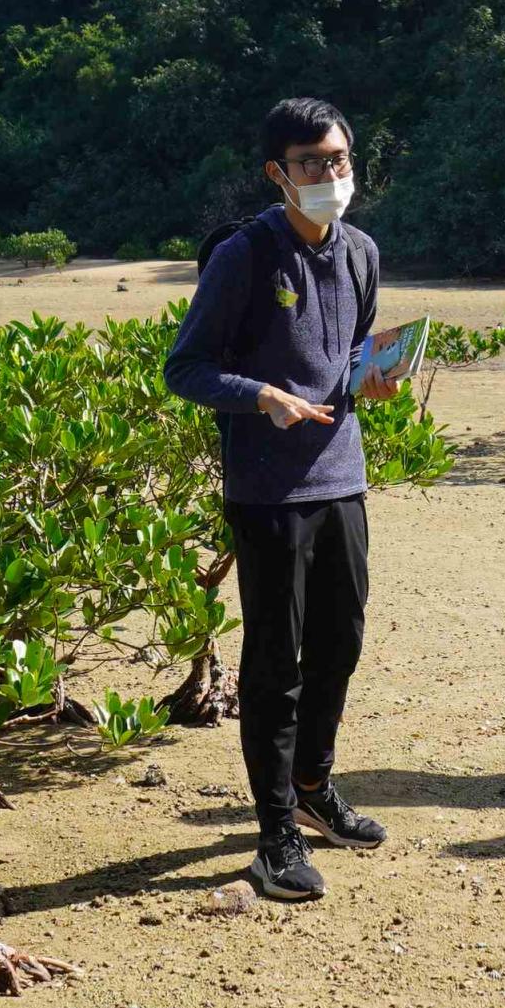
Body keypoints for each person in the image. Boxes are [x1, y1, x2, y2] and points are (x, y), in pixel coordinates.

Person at [162, 97, 388, 904]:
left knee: (342, 642)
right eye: (310, 163)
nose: (329, 176)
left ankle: (314, 786)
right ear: (276, 173)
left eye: (338, 160)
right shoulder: (245, 256)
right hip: (267, 492)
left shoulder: (360, 250)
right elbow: (184, 368)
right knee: (275, 663)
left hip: (342, 478)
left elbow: (351, 354)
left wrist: (376, 377)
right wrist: (261, 395)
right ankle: (274, 832)